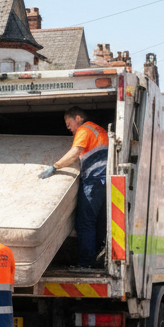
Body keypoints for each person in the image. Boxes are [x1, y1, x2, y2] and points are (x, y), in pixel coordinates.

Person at [38, 107, 109, 268]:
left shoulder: (84, 129)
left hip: (94, 179)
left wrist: (55, 167)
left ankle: (86, 263)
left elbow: (74, 153)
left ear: (78, 118)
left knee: (85, 223)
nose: (67, 127)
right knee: (98, 221)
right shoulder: (99, 130)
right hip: (104, 180)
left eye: (68, 123)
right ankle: (96, 258)